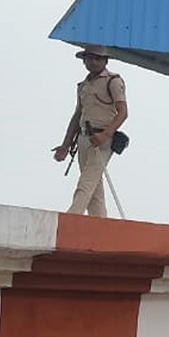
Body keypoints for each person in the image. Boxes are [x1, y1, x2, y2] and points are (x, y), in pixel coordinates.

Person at [52, 45, 128, 216]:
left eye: (97, 58)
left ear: (105, 61)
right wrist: (65, 145)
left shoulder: (113, 81)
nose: (93, 62)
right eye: (89, 58)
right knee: (94, 188)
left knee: (86, 182)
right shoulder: (83, 85)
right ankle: (99, 223)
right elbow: (77, 116)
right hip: (84, 137)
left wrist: (105, 135)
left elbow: (123, 113)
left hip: (103, 138)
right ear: (84, 60)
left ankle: (72, 215)